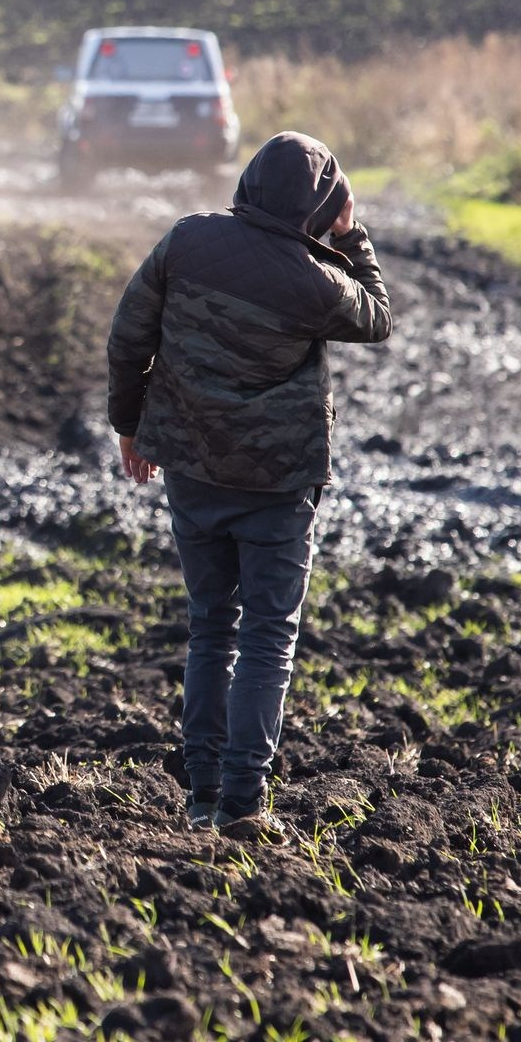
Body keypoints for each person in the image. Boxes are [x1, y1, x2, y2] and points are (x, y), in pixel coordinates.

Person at [108, 131, 392, 841]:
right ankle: (243, 802)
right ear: (318, 206)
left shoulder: (188, 240)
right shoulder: (318, 282)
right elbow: (378, 317)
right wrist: (351, 237)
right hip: (277, 486)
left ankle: (202, 792)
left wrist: (130, 426)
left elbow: (127, 335)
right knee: (268, 638)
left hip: (193, 470)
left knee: (211, 626)